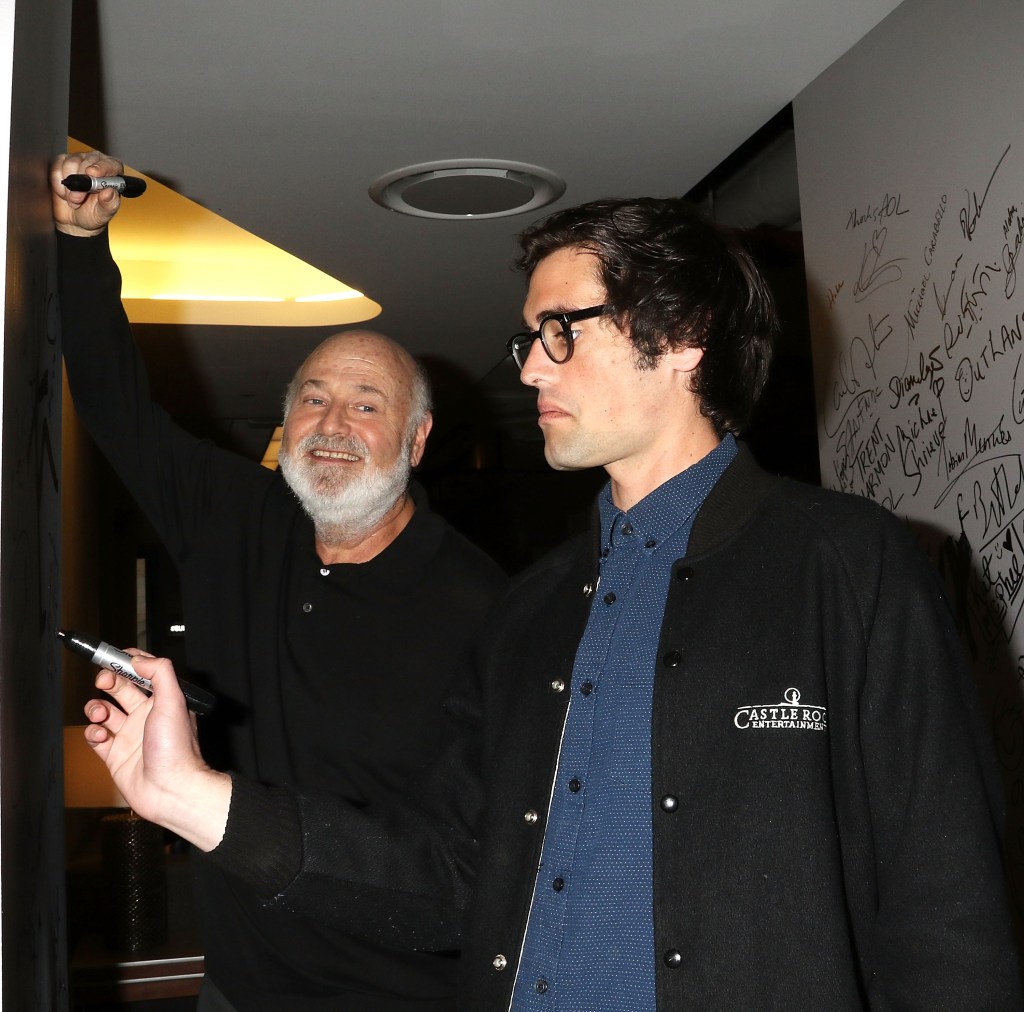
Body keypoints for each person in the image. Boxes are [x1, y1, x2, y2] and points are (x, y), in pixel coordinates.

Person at [82, 196, 1024, 1009]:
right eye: (528, 340)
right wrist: (194, 797)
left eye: (560, 332)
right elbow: (453, 880)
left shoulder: (845, 563)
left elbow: (948, 907)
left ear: (683, 333)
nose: (530, 369)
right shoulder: (532, 613)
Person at [52, 150, 506, 1012]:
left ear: (415, 442)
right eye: (313, 399)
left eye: (368, 405)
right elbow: (116, 407)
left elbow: (463, 875)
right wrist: (81, 244)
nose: (333, 424)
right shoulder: (239, 518)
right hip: (234, 988)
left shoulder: (484, 609)